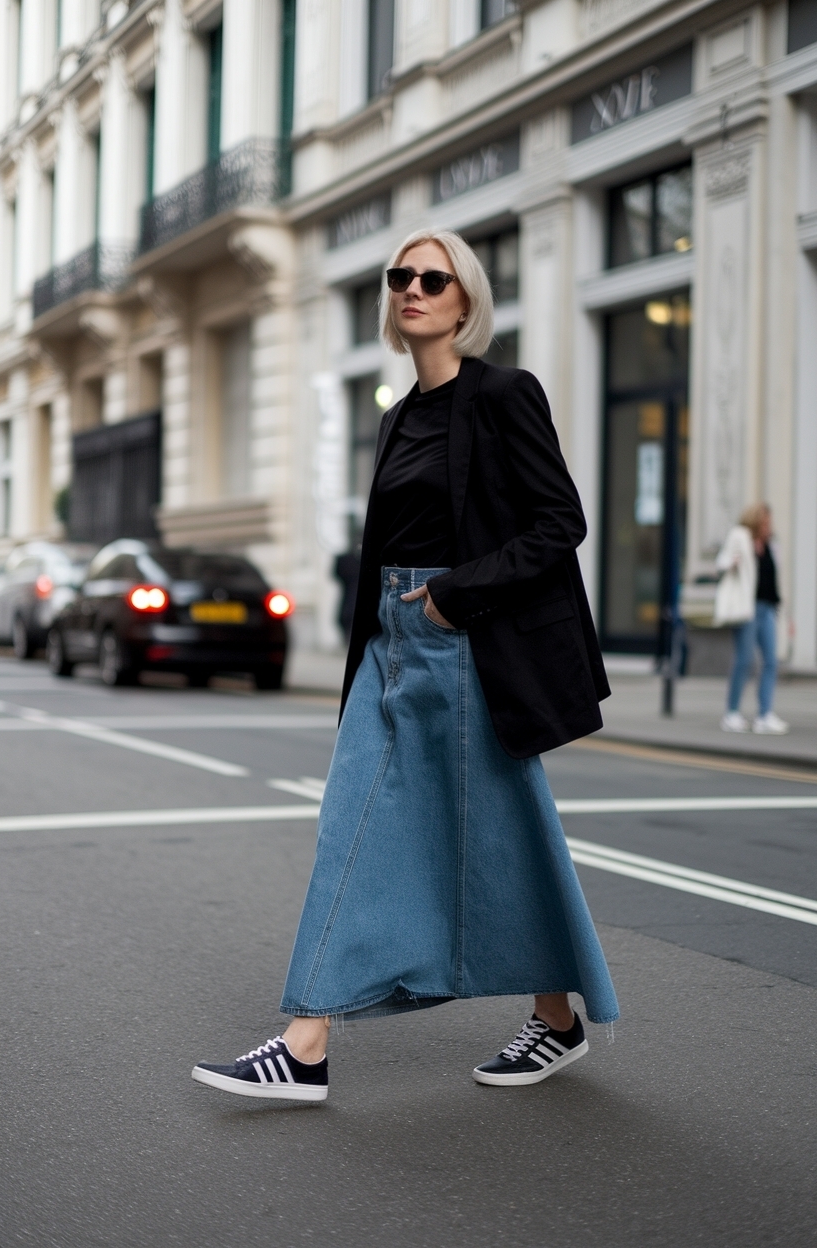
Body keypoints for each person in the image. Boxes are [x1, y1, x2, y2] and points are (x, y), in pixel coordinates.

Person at [192, 229, 619, 1103]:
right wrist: (374, 646)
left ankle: (304, 1044)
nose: (413, 288)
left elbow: (559, 523)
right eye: (401, 277)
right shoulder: (396, 416)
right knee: (430, 829)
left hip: (459, 636)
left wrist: (457, 595)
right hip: (394, 639)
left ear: (466, 301)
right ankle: (556, 1018)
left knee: (464, 832)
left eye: (435, 277)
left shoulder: (504, 394)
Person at [716, 503, 788, 735]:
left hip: (768, 608)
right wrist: (732, 563)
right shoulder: (740, 536)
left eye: (770, 522)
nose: (769, 526)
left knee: (770, 661)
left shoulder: (771, 545)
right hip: (747, 608)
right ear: (756, 521)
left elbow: (775, 578)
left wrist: (786, 611)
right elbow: (721, 562)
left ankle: (764, 715)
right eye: (765, 522)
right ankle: (732, 713)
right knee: (745, 660)